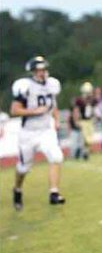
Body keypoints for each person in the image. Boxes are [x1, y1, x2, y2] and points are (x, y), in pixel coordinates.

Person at [10, 56, 65, 210]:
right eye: (38, 70)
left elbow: (53, 105)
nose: (42, 73)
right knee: (23, 167)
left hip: (46, 130)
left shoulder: (52, 85)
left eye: (43, 69)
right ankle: (17, 189)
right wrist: (34, 111)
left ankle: (54, 193)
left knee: (56, 156)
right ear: (32, 72)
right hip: (28, 133)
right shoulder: (25, 86)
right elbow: (14, 110)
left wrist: (56, 119)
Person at [72, 82, 98, 160]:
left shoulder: (93, 100)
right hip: (82, 121)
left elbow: (93, 110)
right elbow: (76, 111)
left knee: (90, 139)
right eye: (87, 92)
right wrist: (76, 121)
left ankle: (85, 152)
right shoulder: (79, 100)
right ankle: (80, 152)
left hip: (90, 121)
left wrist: (95, 117)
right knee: (85, 138)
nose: (89, 94)